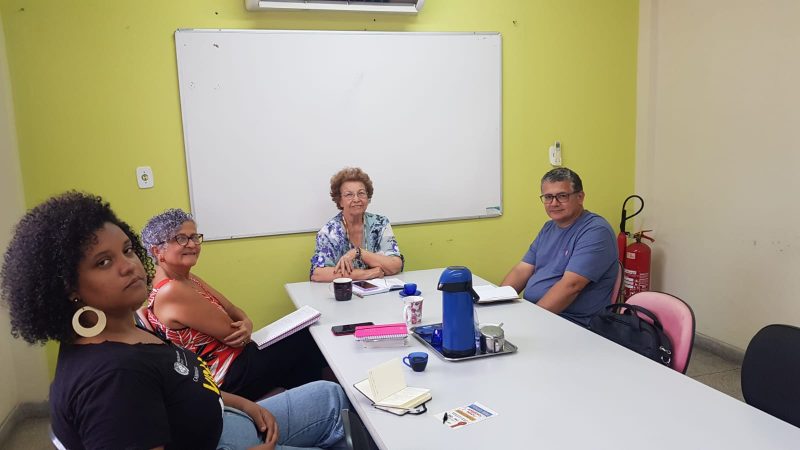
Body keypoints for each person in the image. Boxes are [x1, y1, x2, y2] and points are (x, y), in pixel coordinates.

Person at [0, 191, 347, 449]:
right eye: (102, 262)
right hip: (221, 442)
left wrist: (243, 404)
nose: (128, 265)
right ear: (68, 287)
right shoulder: (111, 378)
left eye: (126, 250)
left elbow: (192, 379)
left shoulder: (130, 329)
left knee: (330, 396)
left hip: (228, 416)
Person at [141, 208, 331, 401]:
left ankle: (303, 405)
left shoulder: (186, 278)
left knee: (303, 342)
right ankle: (312, 406)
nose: (192, 244)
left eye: (194, 237)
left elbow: (233, 310)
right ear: (158, 251)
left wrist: (247, 322)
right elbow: (233, 334)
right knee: (308, 342)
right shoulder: (173, 290)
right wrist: (243, 328)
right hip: (227, 377)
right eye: (181, 239)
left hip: (238, 358)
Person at [501, 167, 618, 326]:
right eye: (548, 197)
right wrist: (497, 301)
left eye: (562, 196)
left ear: (580, 197)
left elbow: (571, 286)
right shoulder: (549, 227)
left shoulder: (596, 231)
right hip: (540, 314)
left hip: (572, 323)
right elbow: (522, 270)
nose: (554, 203)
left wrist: (530, 322)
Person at [310, 167, 404, 282]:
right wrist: (366, 274)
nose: (356, 199)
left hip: (380, 294)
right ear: (340, 200)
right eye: (349, 195)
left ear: (367, 197)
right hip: (346, 295)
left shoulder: (380, 223)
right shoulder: (330, 231)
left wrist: (359, 253)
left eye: (361, 193)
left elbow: (396, 265)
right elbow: (318, 273)